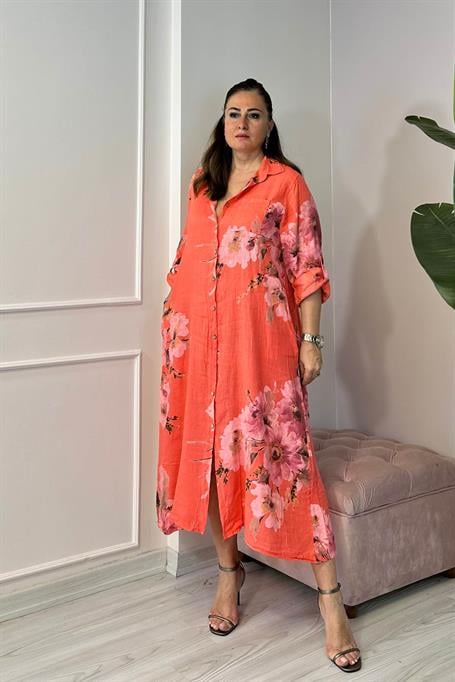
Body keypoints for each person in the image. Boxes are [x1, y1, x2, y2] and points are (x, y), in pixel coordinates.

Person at [156, 78, 361, 673]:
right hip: (195, 346)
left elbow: (308, 269)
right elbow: (187, 258)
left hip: (262, 348)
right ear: (222, 123)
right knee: (208, 462)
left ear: (269, 124)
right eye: (233, 113)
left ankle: (331, 602)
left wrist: (311, 340)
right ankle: (229, 574)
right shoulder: (202, 184)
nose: (241, 123)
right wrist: (172, 318)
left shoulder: (286, 183)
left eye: (253, 114)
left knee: (289, 464)